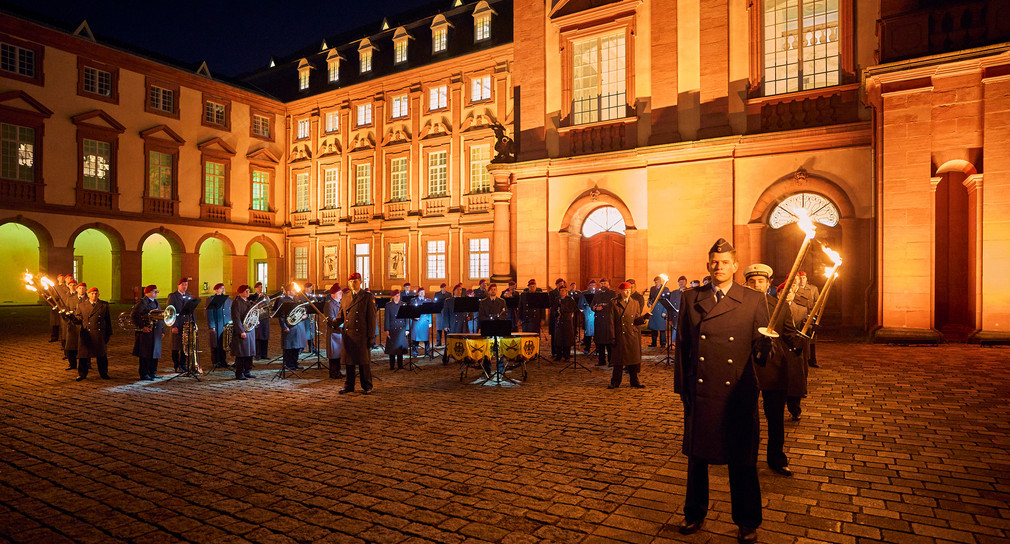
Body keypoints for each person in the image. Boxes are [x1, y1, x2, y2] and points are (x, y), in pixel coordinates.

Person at [674, 238, 773, 544]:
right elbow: (684, 347)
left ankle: (746, 520)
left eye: (725, 262)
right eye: (714, 262)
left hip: (737, 393)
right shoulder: (692, 298)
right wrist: (683, 388)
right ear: (708, 264)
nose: (719, 267)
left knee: (742, 459)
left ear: (735, 265)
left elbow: (761, 351)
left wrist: (768, 347)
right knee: (697, 459)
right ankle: (694, 512)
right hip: (701, 390)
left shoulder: (754, 300)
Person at [745, 264, 807, 477]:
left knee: (775, 418)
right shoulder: (739, 306)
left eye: (760, 281)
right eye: (752, 281)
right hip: (749, 368)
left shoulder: (778, 305)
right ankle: (746, 456)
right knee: (747, 417)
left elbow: (790, 335)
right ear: (746, 283)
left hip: (775, 368)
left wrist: (803, 338)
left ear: (768, 283)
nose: (756, 285)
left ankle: (777, 458)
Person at [339, 273, 377, 394]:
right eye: (350, 282)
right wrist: (333, 323)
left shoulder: (366, 296)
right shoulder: (345, 296)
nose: (352, 284)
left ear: (360, 282)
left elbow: (371, 318)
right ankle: (349, 385)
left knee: (363, 363)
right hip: (348, 334)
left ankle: (367, 385)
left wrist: (371, 336)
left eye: (355, 281)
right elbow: (341, 315)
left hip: (361, 334)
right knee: (349, 362)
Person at [609, 281, 648, 388]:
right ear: (620, 291)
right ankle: (615, 381)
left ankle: (634, 381)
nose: (627, 292)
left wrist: (644, 318)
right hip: (620, 335)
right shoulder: (614, 303)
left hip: (632, 335)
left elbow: (636, 320)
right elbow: (611, 321)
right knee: (619, 361)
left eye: (629, 290)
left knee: (632, 360)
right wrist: (612, 337)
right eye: (625, 290)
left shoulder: (634, 303)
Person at [74, 286, 112, 381]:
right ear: (88, 294)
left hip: (99, 333)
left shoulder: (104, 305)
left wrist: (108, 333)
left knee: (101, 355)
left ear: (98, 295)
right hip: (86, 333)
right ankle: (82, 374)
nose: (94, 295)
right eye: (92, 293)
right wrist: (71, 317)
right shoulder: (81, 305)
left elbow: (107, 320)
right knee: (83, 355)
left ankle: (104, 373)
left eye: (96, 293)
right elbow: (78, 319)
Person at [132, 285, 166, 381]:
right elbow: (134, 314)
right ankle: (144, 373)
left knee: (155, 353)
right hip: (147, 332)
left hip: (156, 332)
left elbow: (160, 317)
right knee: (146, 354)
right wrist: (142, 326)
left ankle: (152, 372)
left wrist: (162, 330)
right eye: (155, 291)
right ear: (148, 292)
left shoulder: (155, 302)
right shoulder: (143, 302)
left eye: (157, 291)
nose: (157, 293)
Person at [794, 271, 820, 367]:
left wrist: (815, 313)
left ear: (806, 279)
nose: (802, 280)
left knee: (811, 339)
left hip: (810, 316)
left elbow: (818, 301)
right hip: (799, 316)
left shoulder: (813, 289)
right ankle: (801, 358)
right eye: (800, 278)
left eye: (803, 278)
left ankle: (812, 360)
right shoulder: (795, 288)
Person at [168, 278, 194, 373]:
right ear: (178, 285)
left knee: (185, 345)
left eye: (186, 285)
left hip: (186, 323)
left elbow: (192, 310)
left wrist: (193, 322)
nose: (185, 287)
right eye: (183, 285)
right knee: (176, 346)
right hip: (177, 323)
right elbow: (170, 311)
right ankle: (177, 365)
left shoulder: (188, 295)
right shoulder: (173, 296)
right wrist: (173, 325)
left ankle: (183, 364)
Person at [230, 285, 256, 380]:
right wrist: (241, 331)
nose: (248, 293)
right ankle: (239, 373)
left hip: (250, 330)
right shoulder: (237, 303)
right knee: (241, 353)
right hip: (242, 331)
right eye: (246, 291)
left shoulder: (248, 302)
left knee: (249, 352)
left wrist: (255, 321)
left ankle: (247, 371)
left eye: (248, 291)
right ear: (240, 292)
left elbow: (252, 315)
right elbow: (236, 319)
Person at [279, 283, 306, 372]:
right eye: (294, 290)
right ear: (289, 292)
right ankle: (289, 364)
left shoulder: (297, 299)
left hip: (298, 325)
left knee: (297, 346)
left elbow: (302, 309)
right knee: (289, 346)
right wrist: (284, 326)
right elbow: (280, 315)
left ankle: (295, 362)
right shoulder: (283, 300)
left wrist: (304, 315)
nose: (295, 292)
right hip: (290, 326)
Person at [206, 283, 232, 369]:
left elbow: (229, 312)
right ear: (216, 290)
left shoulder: (228, 299)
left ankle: (223, 361)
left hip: (225, 324)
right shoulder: (211, 299)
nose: (223, 289)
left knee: (223, 343)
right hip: (217, 325)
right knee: (215, 344)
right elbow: (209, 313)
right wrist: (212, 325)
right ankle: (215, 361)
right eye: (221, 288)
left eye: (224, 288)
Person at [592, 278, 617, 366]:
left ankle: (611, 360)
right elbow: (592, 304)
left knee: (609, 342)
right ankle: (601, 360)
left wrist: (603, 307)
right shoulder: (597, 293)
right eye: (602, 283)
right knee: (599, 342)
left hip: (608, 320)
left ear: (608, 285)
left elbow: (613, 304)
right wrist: (595, 308)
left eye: (605, 283)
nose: (603, 285)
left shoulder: (612, 293)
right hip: (598, 320)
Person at [64, 281, 87, 371]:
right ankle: (72, 364)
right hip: (72, 325)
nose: (81, 290)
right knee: (71, 346)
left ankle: (87, 363)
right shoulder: (70, 298)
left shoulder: (87, 298)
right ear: (77, 289)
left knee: (84, 346)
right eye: (79, 288)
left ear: (85, 289)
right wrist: (67, 316)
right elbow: (66, 308)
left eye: (83, 288)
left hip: (83, 325)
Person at [324, 284, 345, 378]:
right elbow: (331, 319)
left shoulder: (339, 303)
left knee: (338, 353)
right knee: (333, 354)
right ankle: (333, 372)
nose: (341, 294)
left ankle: (338, 371)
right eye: (339, 292)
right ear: (333, 294)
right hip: (334, 333)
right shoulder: (329, 304)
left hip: (339, 332)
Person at [384, 289, 409, 370]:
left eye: (399, 296)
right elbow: (387, 318)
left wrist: (407, 329)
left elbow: (406, 318)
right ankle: (392, 365)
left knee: (400, 349)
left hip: (401, 329)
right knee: (392, 349)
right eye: (396, 296)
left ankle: (400, 365)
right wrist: (387, 329)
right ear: (393, 297)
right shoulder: (388, 305)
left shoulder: (403, 305)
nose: (398, 298)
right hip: (392, 329)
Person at [647, 276, 671, 347]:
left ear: (660, 282)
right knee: (653, 328)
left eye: (657, 281)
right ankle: (653, 343)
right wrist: (649, 303)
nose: (656, 283)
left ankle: (663, 343)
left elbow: (667, 301)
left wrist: (665, 311)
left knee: (662, 328)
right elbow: (650, 298)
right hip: (654, 310)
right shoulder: (652, 289)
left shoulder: (665, 289)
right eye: (655, 282)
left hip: (661, 309)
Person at [556, 283, 577, 361]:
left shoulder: (570, 300)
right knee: (558, 338)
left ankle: (566, 356)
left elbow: (573, 309)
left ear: (566, 291)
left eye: (563, 291)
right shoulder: (557, 299)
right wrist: (556, 313)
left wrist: (563, 308)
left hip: (567, 320)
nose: (562, 292)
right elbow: (554, 309)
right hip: (559, 320)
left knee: (566, 339)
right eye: (560, 291)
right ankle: (558, 355)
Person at [410, 287, 431, 356]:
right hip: (417, 322)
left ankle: (427, 352)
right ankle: (415, 352)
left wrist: (430, 322)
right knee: (416, 338)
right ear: (418, 293)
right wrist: (414, 316)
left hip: (425, 321)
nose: (422, 293)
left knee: (426, 338)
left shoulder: (428, 301)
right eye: (421, 292)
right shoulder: (413, 301)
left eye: (423, 292)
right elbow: (411, 310)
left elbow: (429, 312)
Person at [252, 282, 271, 360]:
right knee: (258, 337)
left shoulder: (265, 296)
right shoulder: (253, 297)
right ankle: (257, 354)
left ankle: (264, 354)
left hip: (265, 318)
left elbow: (269, 305)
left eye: (261, 287)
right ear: (255, 288)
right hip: (257, 318)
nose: (260, 288)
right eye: (259, 287)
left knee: (265, 336)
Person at [578, 279, 597, 354]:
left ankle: (597, 348)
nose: (592, 287)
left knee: (597, 332)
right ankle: (587, 348)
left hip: (596, 315)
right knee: (588, 332)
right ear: (588, 286)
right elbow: (580, 305)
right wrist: (584, 312)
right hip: (588, 314)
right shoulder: (584, 294)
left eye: (594, 285)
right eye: (591, 285)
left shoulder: (598, 293)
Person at [549, 279, 565, 360]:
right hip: (554, 315)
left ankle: (562, 351)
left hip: (563, 317)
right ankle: (554, 351)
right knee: (554, 334)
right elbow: (551, 304)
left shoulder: (565, 292)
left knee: (562, 334)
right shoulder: (552, 293)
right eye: (559, 284)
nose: (561, 285)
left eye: (562, 284)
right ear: (556, 285)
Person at [49, 273, 64, 342]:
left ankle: (63, 337)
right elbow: (51, 295)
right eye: (60, 277)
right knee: (55, 322)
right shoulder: (54, 287)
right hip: (55, 306)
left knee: (63, 323)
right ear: (58, 279)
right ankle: (54, 337)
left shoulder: (66, 286)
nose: (61, 278)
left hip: (63, 306)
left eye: (62, 277)